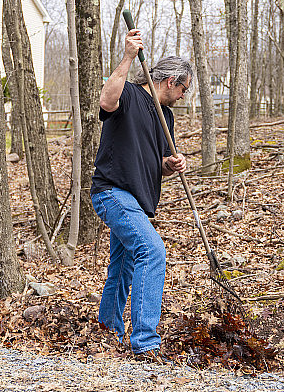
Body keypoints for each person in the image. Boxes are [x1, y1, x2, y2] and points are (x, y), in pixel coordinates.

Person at [90, 28, 193, 361]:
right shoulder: (131, 94)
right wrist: (128, 57)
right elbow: (106, 102)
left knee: (122, 268)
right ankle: (146, 343)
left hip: (138, 200)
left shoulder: (166, 117)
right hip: (112, 192)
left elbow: (159, 161)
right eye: (183, 88)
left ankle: (107, 331)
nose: (183, 96)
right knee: (152, 250)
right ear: (169, 81)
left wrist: (172, 163)